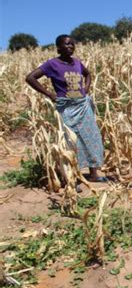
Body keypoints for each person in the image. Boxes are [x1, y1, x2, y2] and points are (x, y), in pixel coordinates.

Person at [25, 34, 107, 187]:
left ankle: (94, 174)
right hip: (66, 107)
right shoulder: (52, 64)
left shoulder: (77, 63)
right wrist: (49, 94)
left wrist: (86, 89)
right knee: (69, 142)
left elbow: (87, 74)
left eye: (72, 44)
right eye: (66, 44)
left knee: (91, 138)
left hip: (82, 106)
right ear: (58, 47)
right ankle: (71, 178)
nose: (70, 47)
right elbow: (30, 78)